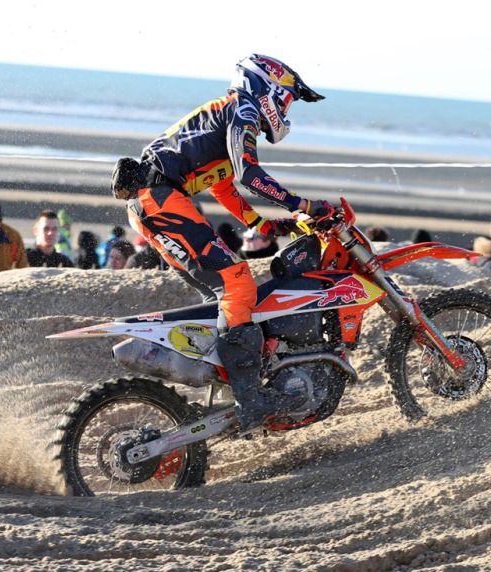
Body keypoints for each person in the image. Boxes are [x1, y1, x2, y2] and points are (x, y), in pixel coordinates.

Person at [109, 54, 335, 431]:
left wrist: (262, 223)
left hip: (154, 200)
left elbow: (223, 184)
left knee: (223, 294)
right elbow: (250, 175)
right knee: (237, 281)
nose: (286, 107)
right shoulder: (241, 111)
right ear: (268, 89)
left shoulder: (229, 114)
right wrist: (307, 206)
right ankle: (251, 399)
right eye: (286, 98)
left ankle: (228, 384)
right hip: (161, 199)